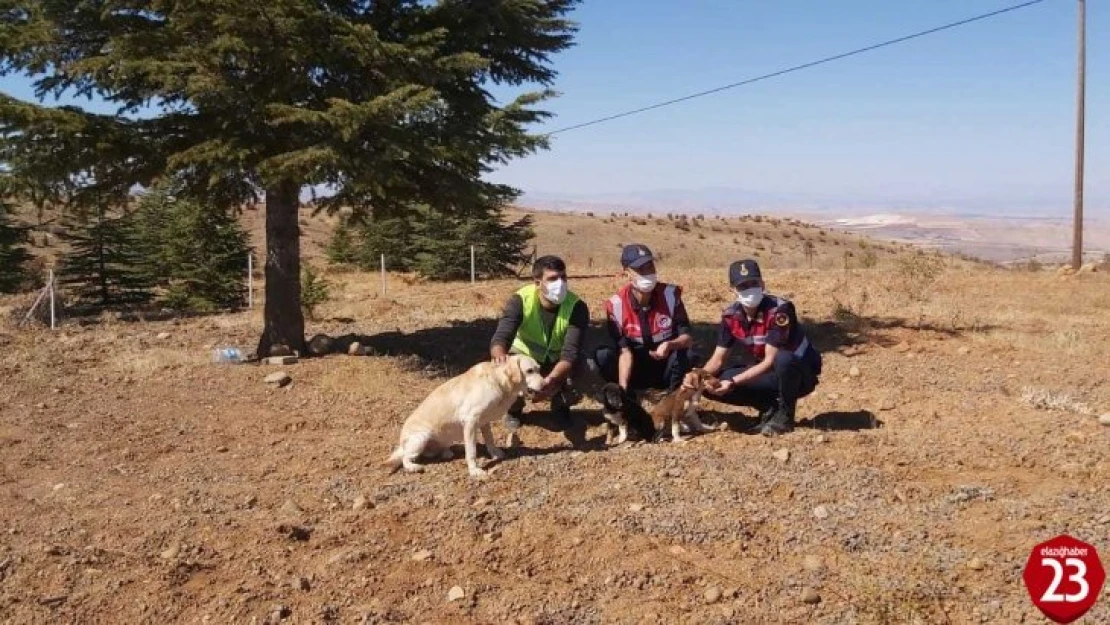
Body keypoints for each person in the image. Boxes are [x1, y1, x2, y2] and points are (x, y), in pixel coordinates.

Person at [703, 259, 822, 436]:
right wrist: (698, 377)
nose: (750, 289)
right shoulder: (730, 316)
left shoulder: (780, 311)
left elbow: (770, 361)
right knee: (714, 381)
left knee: (783, 358)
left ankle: (785, 417)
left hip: (798, 374)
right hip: (769, 373)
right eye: (743, 286)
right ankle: (769, 408)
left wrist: (734, 382)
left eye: (754, 283)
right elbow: (718, 359)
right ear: (733, 290)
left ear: (762, 284)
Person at [490, 255, 588, 446]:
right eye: (552, 279)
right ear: (537, 282)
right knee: (509, 368)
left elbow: (570, 354)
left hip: (557, 360)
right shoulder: (520, 300)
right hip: (525, 357)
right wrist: (502, 362)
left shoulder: (577, 307)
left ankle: (560, 406)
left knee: (581, 367)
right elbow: (501, 339)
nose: (559, 283)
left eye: (563, 277)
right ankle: (513, 408)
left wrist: (550, 383)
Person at [593, 244, 695, 399]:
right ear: (626, 273)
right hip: (635, 368)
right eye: (641, 269)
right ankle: (627, 394)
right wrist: (623, 388)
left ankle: (672, 396)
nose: (648, 273)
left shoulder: (670, 295)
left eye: (650, 266)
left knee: (688, 354)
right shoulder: (616, 305)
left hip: (665, 368)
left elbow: (687, 338)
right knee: (603, 355)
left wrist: (670, 345)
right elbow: (624, 352)